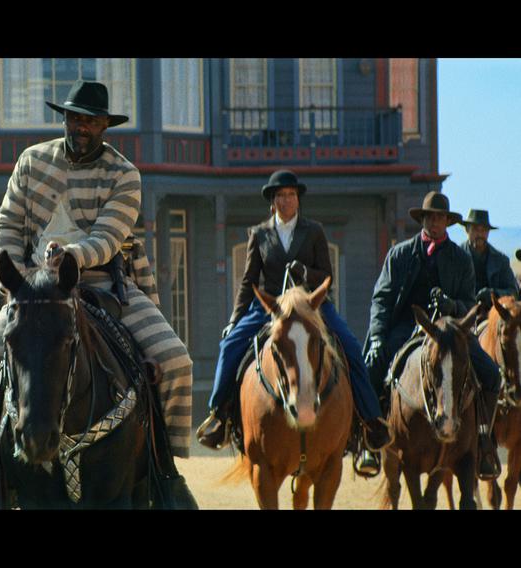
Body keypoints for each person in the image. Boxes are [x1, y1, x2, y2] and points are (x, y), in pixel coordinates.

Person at [0, 80, 194, 508]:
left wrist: (70, 257)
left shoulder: (125, 174)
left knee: (176, 362)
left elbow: (110, 236)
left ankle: (166, 471)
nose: (81, 126)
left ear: (105, 124)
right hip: (34, 290)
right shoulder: (31, 162)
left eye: (90, 120)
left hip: (104, 284)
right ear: (65, 119)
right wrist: (14, 276)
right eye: (74, 117)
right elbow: (7, 225)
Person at [196, 170, 390, 475]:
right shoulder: (259, 234)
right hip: (272, 308)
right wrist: (235, 319)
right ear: (273, 202)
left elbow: (327, 275)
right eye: (282, 196)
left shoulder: (314, 231)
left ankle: (370, 422)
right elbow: (249, 282)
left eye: (292, 195)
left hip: (312, 305)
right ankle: (219, 416)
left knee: (350, 347)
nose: (288, 200)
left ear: (298, 199)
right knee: (230, 345)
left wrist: (306, 273)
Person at [363, 191, 502, 479]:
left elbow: (470, 303)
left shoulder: (461, 259)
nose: (435, 222)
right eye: (430, 217)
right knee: (372, 365)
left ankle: (483, 441)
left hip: (453, 331)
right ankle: (370, 441)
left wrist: (453, 306)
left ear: (448, 222)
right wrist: (377, 335)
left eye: (440, 217)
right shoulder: (399, 254)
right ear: (423, 219)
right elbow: (381, 300)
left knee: (491, 374)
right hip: (406, 326)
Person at [458, 209, 519, 311]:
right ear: (467, 230)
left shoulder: (501, 260)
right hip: (461, 313)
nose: (480, 234)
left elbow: (513, 293)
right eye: (476, 229)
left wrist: (493, 293)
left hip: (492, 312)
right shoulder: (455, 257)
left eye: (484, 230)